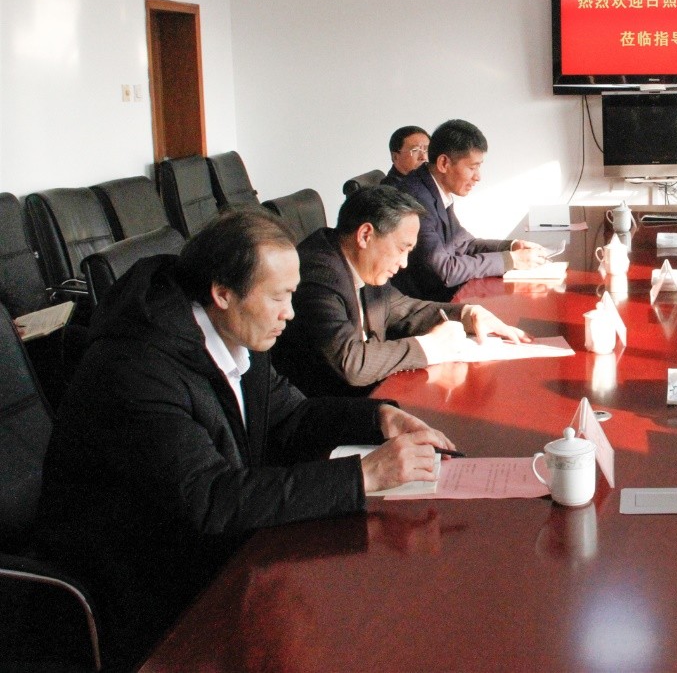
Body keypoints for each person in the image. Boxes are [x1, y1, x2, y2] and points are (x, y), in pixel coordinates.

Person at [35, 209, 457, 669]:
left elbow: (290, 415)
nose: (290, 313)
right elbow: (210, 498)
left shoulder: (236, 329)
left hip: (216, 548)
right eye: (278, 297)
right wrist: (364, 475)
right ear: (222, 293)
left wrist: (378, 419)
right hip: (142, 584)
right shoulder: (138, 369)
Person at [273, 185, 528, 397]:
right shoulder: (318, 274)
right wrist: (430, 346)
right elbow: (352, 363)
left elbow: (402, 308)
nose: (404, 263)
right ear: (365, 235)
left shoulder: (360, 260)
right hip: (326, 411)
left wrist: (466, 314)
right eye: (402, 249)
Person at [392, 118, 549, 301]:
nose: (478, 177)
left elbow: (464, 244)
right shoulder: (416, 198)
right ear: (444, 163)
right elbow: (445, 270)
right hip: (425, 303)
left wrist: (512, 246)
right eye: (472, 167)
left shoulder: (433, 188)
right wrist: (511, 260)